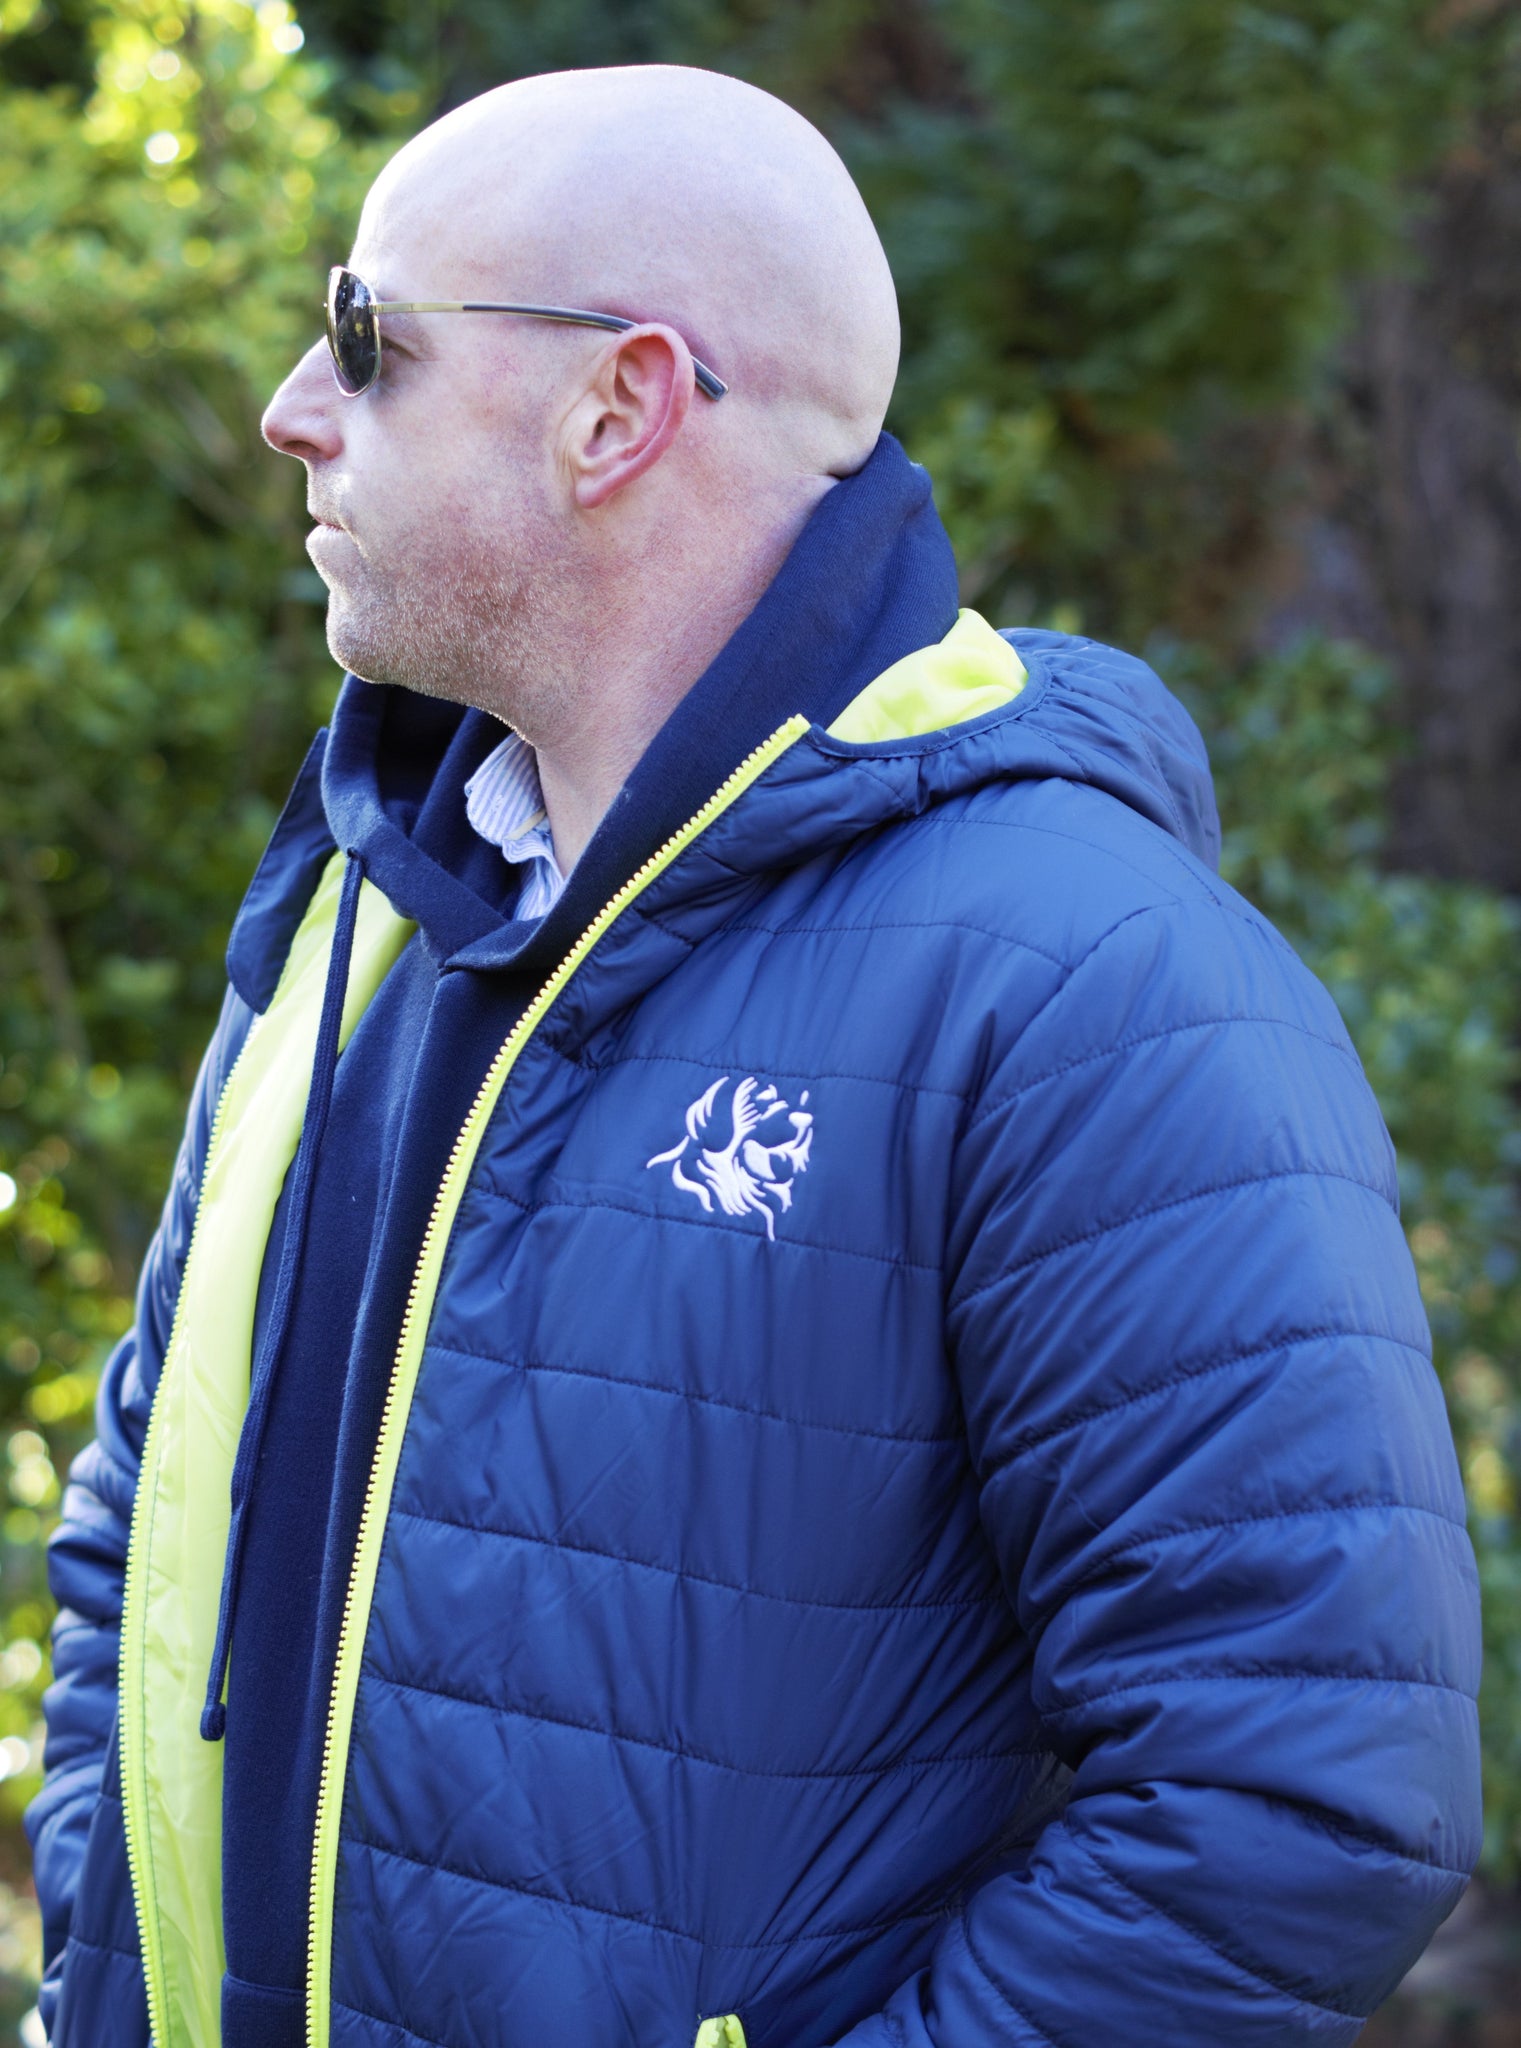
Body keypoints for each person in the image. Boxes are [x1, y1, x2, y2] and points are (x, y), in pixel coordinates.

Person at [28, 61, 1480, 2048]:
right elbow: (141, 1529)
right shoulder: (355, 909)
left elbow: (1296, 1804)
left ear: (613, 407)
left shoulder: (1085, 980)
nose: (292, 406)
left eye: (366, 340)